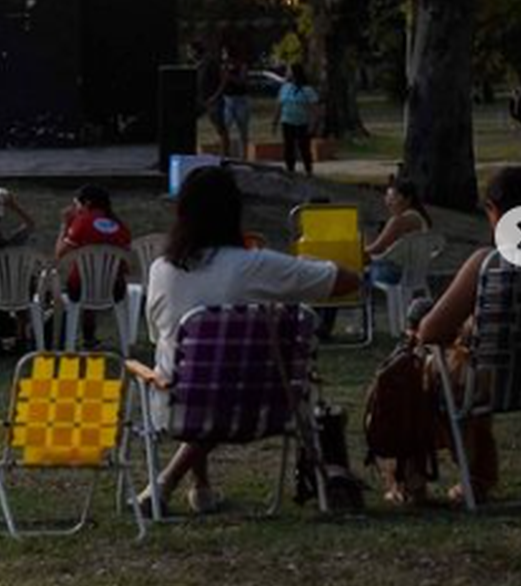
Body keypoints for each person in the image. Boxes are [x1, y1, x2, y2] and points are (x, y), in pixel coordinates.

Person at [139, 166, 360, 515]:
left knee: (199, 369)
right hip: (264, 404)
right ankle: (190, 486)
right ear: (234, 212)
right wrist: (302, 261)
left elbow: (160, 337)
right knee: (224, 372)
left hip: (179, 404)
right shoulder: (258, 266)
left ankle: (174, 483)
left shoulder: (160, 270)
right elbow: (348, 280)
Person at [405, 167, 521, 506]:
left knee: (414, 364)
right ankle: (477, 478)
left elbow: (431, 330)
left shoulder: (487, 263)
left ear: (493, 211)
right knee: (456, 365)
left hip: (486, 377)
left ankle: (412, 480)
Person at [55, 185, 132, 345]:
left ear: (87, 203)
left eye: (77, 205)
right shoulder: (121, 226)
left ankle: (75, 338)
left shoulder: (81, 222)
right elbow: (126, 265)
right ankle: (89, 337)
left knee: (83, 277)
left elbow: (60, 253)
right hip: (114, 288)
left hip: (81, 288)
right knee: (93, 276)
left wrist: (65, 225)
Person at [363, 179, 433, 286]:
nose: (388, 203)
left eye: (393, 198)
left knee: (358, 269)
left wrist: (356, 251)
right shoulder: (420, 218)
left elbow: (376, 249)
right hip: (416, 274)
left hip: (394, 274)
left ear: (408, 199)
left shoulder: (399, 221)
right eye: (387, 197)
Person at [273, 63, 320, 175]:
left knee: (304, 148)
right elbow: (279, 105)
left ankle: (308, 170)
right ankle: (290, 170)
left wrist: (313, 126)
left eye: (289, 71)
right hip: (287, 121)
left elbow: (315, 111)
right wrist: (275, 122)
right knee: (288, 147)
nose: (286, 73)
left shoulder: (307, 90)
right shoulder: (285, 88)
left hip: (302, 123)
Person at [196, 44, 230, 154]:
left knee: (220, 128)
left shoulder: (211, 62)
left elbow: (223, 79)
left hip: (213, 100)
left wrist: (215, 96)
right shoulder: (198, 64)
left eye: (190, 51)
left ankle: (225, 154)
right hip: (201, 100)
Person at [217, 51, 251, 159]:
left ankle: (244, 156)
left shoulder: (242, 66)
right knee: (225, 128)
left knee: (243, 129)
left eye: (227, 56)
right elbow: (221, 83)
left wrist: (228, 76)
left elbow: (242, 82)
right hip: (228, 99)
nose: (225, 59)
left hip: (241, 100)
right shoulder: (224, 67)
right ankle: (224, 155)